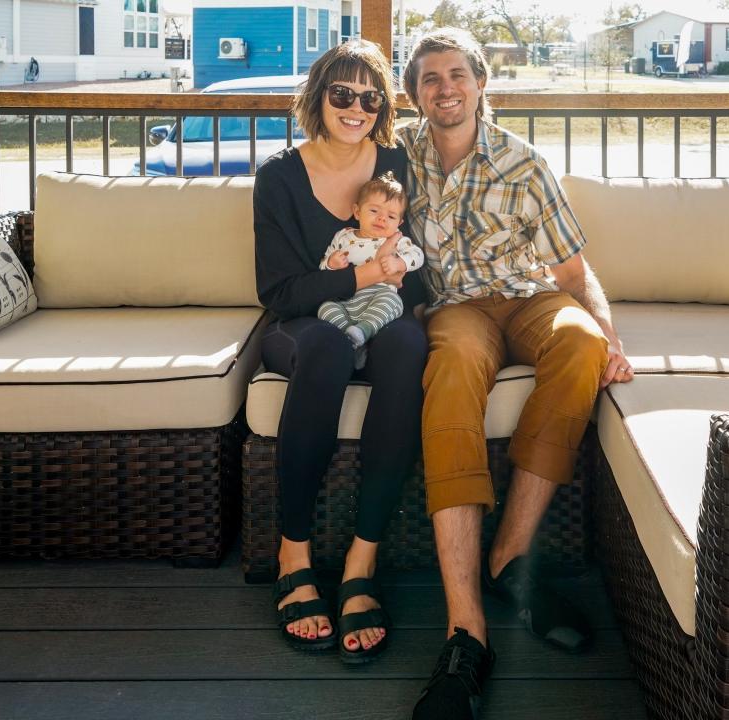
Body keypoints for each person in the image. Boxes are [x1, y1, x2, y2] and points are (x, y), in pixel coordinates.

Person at [398, 28, 635, 718]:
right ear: (415, 95)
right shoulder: (399, 156)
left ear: (480, 83)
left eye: (456, 75)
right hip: (457, 308)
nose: (445, 89)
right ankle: (466, 629)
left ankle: (510, 555)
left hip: (530, 296)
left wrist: (609, 336)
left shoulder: (524, 164)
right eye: (430, 79)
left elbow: (571, 271)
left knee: (581, 344)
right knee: (449, 377)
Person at [253, 39, 427, 664]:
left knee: (410, 342)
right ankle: (292, 553)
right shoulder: (278, 175)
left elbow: (415, 268)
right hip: (304, 324)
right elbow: (279, 288)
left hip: (379, 318)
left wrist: (400, 281)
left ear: (382, 106)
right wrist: (361, 277)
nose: (355, 107)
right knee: (326, 346)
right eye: (342, 93)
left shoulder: (398, 166)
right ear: (319, 95)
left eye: (369, 96)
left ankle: (362, 560)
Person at [318, 171, 424, 369]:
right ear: (357, 212)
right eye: (374, 211)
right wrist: (331, 264)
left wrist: (399, 263)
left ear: (399, 223)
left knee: (393, 301)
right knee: (325, 307)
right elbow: (323, 264)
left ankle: (362, 331)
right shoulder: (344, 236)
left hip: (379, 295)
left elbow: (418, 255)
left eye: (391, 216)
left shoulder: (397, 240)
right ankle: (352, 334)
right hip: (346, 298)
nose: (382, 219)